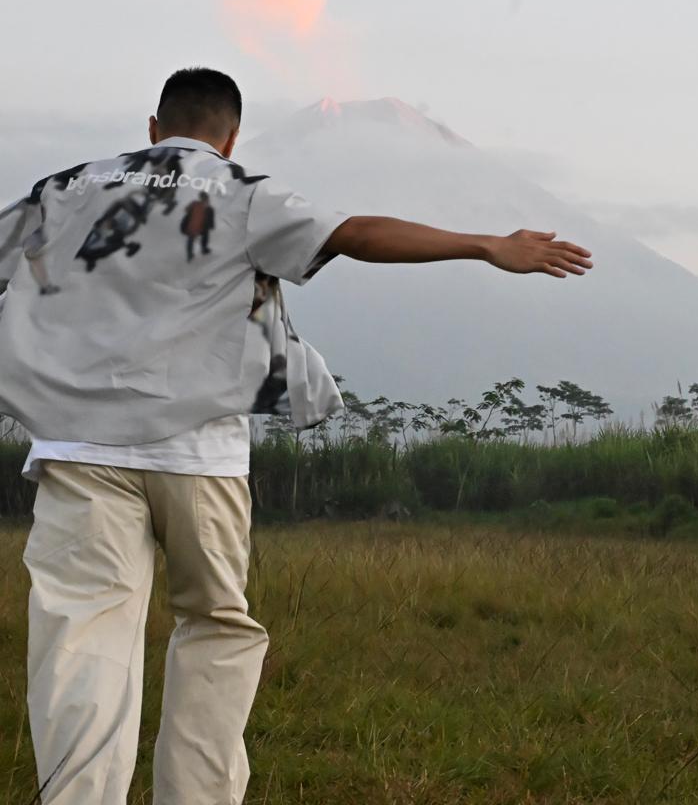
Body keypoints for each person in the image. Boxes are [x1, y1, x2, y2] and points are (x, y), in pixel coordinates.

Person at [0, 66, 594, 805]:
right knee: (214, 626)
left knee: (82, 640)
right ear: (231, 135)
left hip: (78, 451)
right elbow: (354, 235)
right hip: (199, 453)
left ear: (153, 129)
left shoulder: (65, 189)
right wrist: (484, 245)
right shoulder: (244, 193)